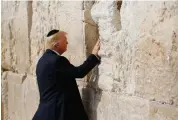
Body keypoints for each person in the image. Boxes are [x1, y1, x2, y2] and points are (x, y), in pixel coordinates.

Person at [32, 29, 100, 120]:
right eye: (65, 40)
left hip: (46, 112)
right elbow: (79, 72)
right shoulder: (57, 60)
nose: (67, 42)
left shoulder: (42, 60)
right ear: (56, 44)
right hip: (58, 113)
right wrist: (94, 55)